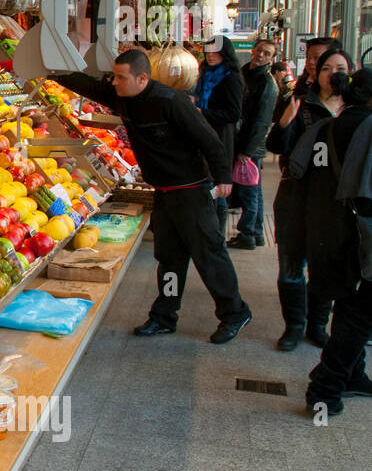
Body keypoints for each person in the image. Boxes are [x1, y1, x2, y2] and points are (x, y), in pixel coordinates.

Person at [55, 49, 252, 344]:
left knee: (209, 256)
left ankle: (234, 312)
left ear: (143, 78)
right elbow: (92, 87)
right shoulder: (124, 97)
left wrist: (224, 178)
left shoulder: (171, 102)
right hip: (164, 194)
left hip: (192, 193)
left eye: (121, 77)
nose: (115, 83)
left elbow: (209, 140)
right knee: (169, 259)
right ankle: (164, 315)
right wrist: (51, 70)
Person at [287, 69, 372, 415]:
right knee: (359, 314)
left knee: (353, 306)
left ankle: (352, 374)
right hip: (362, 234)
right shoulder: (366, 128)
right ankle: (325, 389)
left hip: (331, 228)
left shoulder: (333, 124)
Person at [266, 45, 350, 350]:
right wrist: (288, 118)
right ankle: (294, 327)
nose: (332, 74)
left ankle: (316, 326)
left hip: (334, 201)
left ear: (350, 74)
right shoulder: (302, 103)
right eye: (326, 68)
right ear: (315, 74)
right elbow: (276, 146)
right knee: (290, 266)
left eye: (340, 69)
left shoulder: (356, 110)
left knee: (323, 266)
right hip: (296, 194)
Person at [229, 38, 279, 249]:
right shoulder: (245, 73)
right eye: (259, 50)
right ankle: (255, 232)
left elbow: (261, 122)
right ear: (252, 50)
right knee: (253, 189)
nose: (261, 55)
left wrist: (247, 151)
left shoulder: (267, 84)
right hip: (242, 141)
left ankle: (248, 234)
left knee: (249, 190)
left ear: (271, 58)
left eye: (266, 53)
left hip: (250, 146)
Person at [193, 36, 243, 236]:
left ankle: (217, 234)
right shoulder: (205, 74)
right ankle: (208, 230)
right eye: (208, 51)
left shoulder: (231, 78)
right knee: (209, 184)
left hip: (221, 137)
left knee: (219, 186)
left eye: (215, 52)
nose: (210, 56)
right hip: (202, 135)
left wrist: (202, 112)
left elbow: (233, 113)